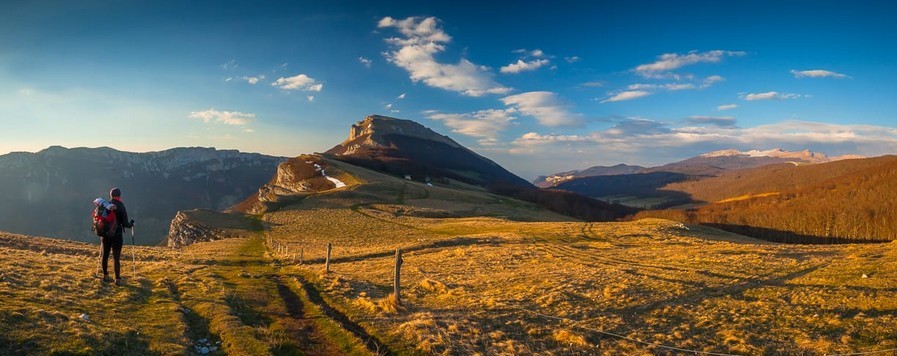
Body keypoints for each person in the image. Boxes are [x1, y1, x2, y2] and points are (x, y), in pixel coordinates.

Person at [102, 187, 134, 285]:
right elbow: (125, 224)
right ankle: (118, 279)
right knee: (116, 257)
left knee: (105, 254)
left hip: (106, 234)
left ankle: (106, 275)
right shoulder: (120, 205)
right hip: (117, 235)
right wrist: (131, 223)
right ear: (119, 195)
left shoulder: (106, 205)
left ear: (111, 195)